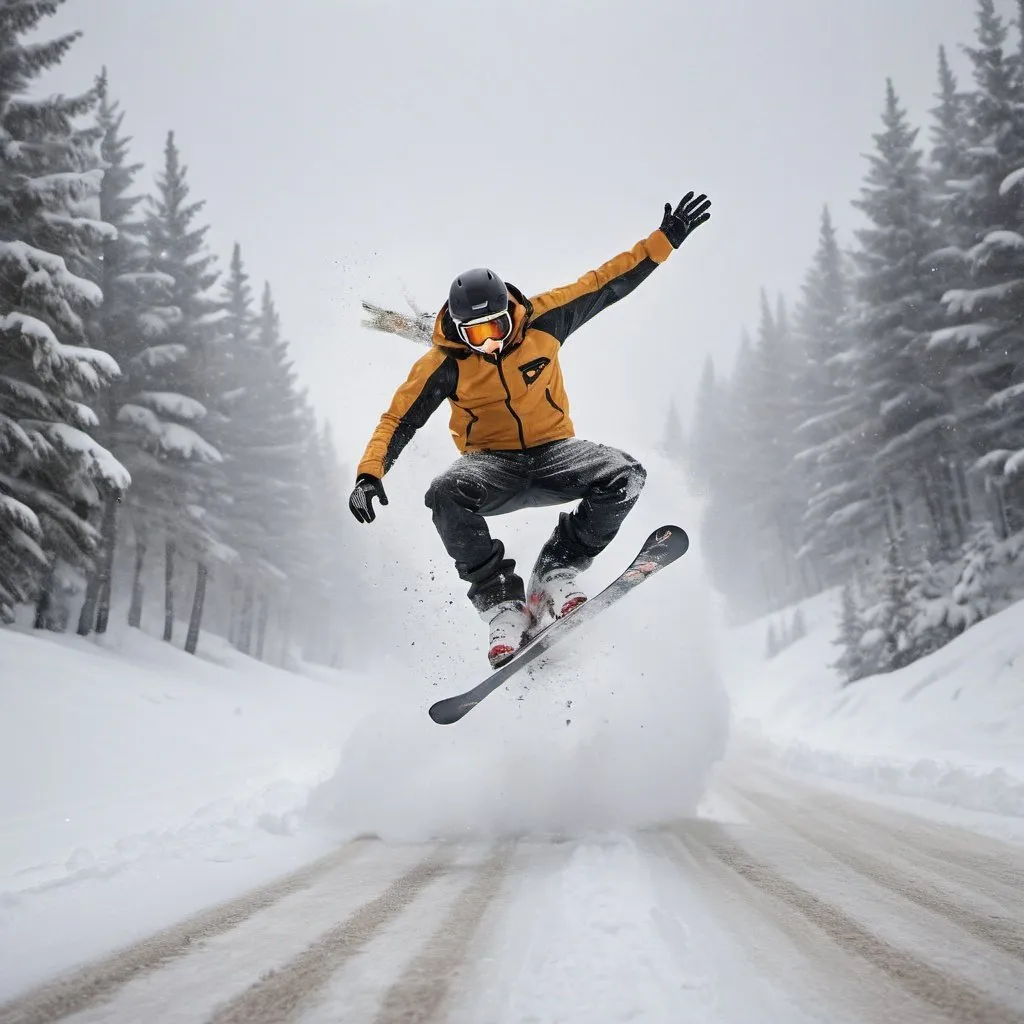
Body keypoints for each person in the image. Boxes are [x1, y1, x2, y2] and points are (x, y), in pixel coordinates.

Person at [349, 192, 712, 667]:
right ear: (459, 332)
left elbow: (605, 282)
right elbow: (398, 418)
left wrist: (664, 241)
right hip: (491, 464)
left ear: (510, 312)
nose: (491, 341)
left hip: (554, 451)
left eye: (497, 327)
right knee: (444, 492)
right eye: (476, 335)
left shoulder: (545, 317)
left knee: (626, 474)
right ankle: (502, 603)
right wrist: (369, 473)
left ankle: (558, 570)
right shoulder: (443, 364)